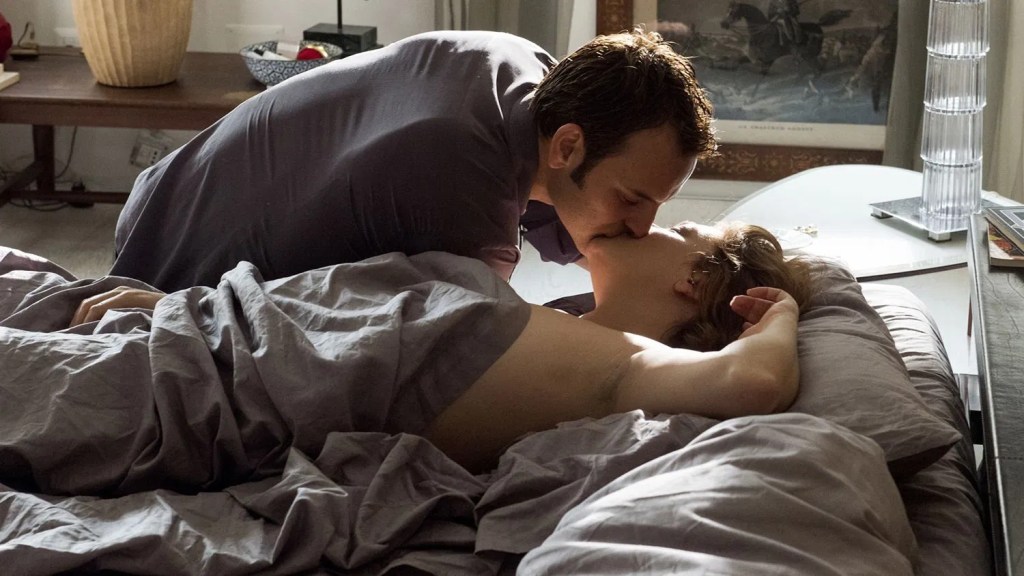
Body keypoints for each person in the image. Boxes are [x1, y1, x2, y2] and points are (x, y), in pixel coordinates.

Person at [72, 221, 813, 474]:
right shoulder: (560, 328)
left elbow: (750, 383)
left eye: (682, 229)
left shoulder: (624, 364)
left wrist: (777, 317)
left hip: (184, 391)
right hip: (200, 338)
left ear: (695, 279)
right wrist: (190, 310)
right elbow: (345, 320)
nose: (650, 220)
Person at [109, 28, 716, 292]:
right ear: (567, 146)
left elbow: (558, 205)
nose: (643, 227)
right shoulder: (466, 191)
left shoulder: (530, 72)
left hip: (165, 187)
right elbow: (492, 353)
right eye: (632, 199)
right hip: (171, 266)